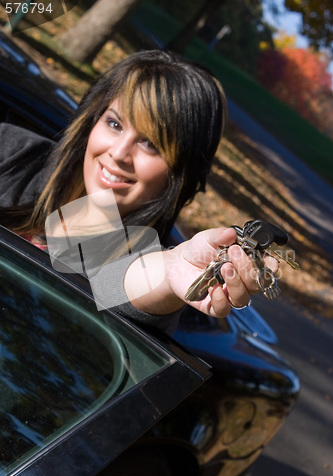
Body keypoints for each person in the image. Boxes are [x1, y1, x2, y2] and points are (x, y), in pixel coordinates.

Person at [0, 50, 277, 333]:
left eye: (150, 144)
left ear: (179, 174)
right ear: (93, 120)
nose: (119, 153)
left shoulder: (139, 262)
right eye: (115, 124)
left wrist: (171, 269)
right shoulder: (11, 153)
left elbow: (130, 281)